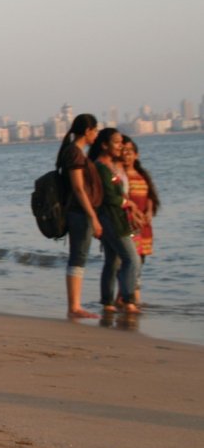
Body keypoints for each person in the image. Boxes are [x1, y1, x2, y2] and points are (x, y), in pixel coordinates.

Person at [55, 114, 103, 319]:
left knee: (79, 256)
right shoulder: (74, 154)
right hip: (79, 212)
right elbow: (78, 188)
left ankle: (75, 306)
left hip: (79, 212)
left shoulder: (74, 152)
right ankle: (74, 306)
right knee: (78, 257)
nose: (97, 134)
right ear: (87, 131)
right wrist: (93, 216)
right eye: (96, 130)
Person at [89, 129, 141, 314]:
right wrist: (129, 203)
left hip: (113, 218)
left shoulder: (108, 166)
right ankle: (128, 300)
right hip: (112, 219)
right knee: (132, 259)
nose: (120, 146)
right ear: (104, 145)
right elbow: (109, 197)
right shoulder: (101, 168)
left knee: (112, 261)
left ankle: (108, 302)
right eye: (117, 142)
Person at [121, 135, 159, 304]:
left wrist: (150, 211)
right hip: (129, 224)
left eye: (130, 152)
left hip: (144, 225)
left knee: (139, 261)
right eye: (124, 151)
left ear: (136, 155)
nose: (126, 155)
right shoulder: (121, 176)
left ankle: (128, 296)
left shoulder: (142, 175)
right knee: (129, 261)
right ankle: (128, 297)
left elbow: (150, 196)